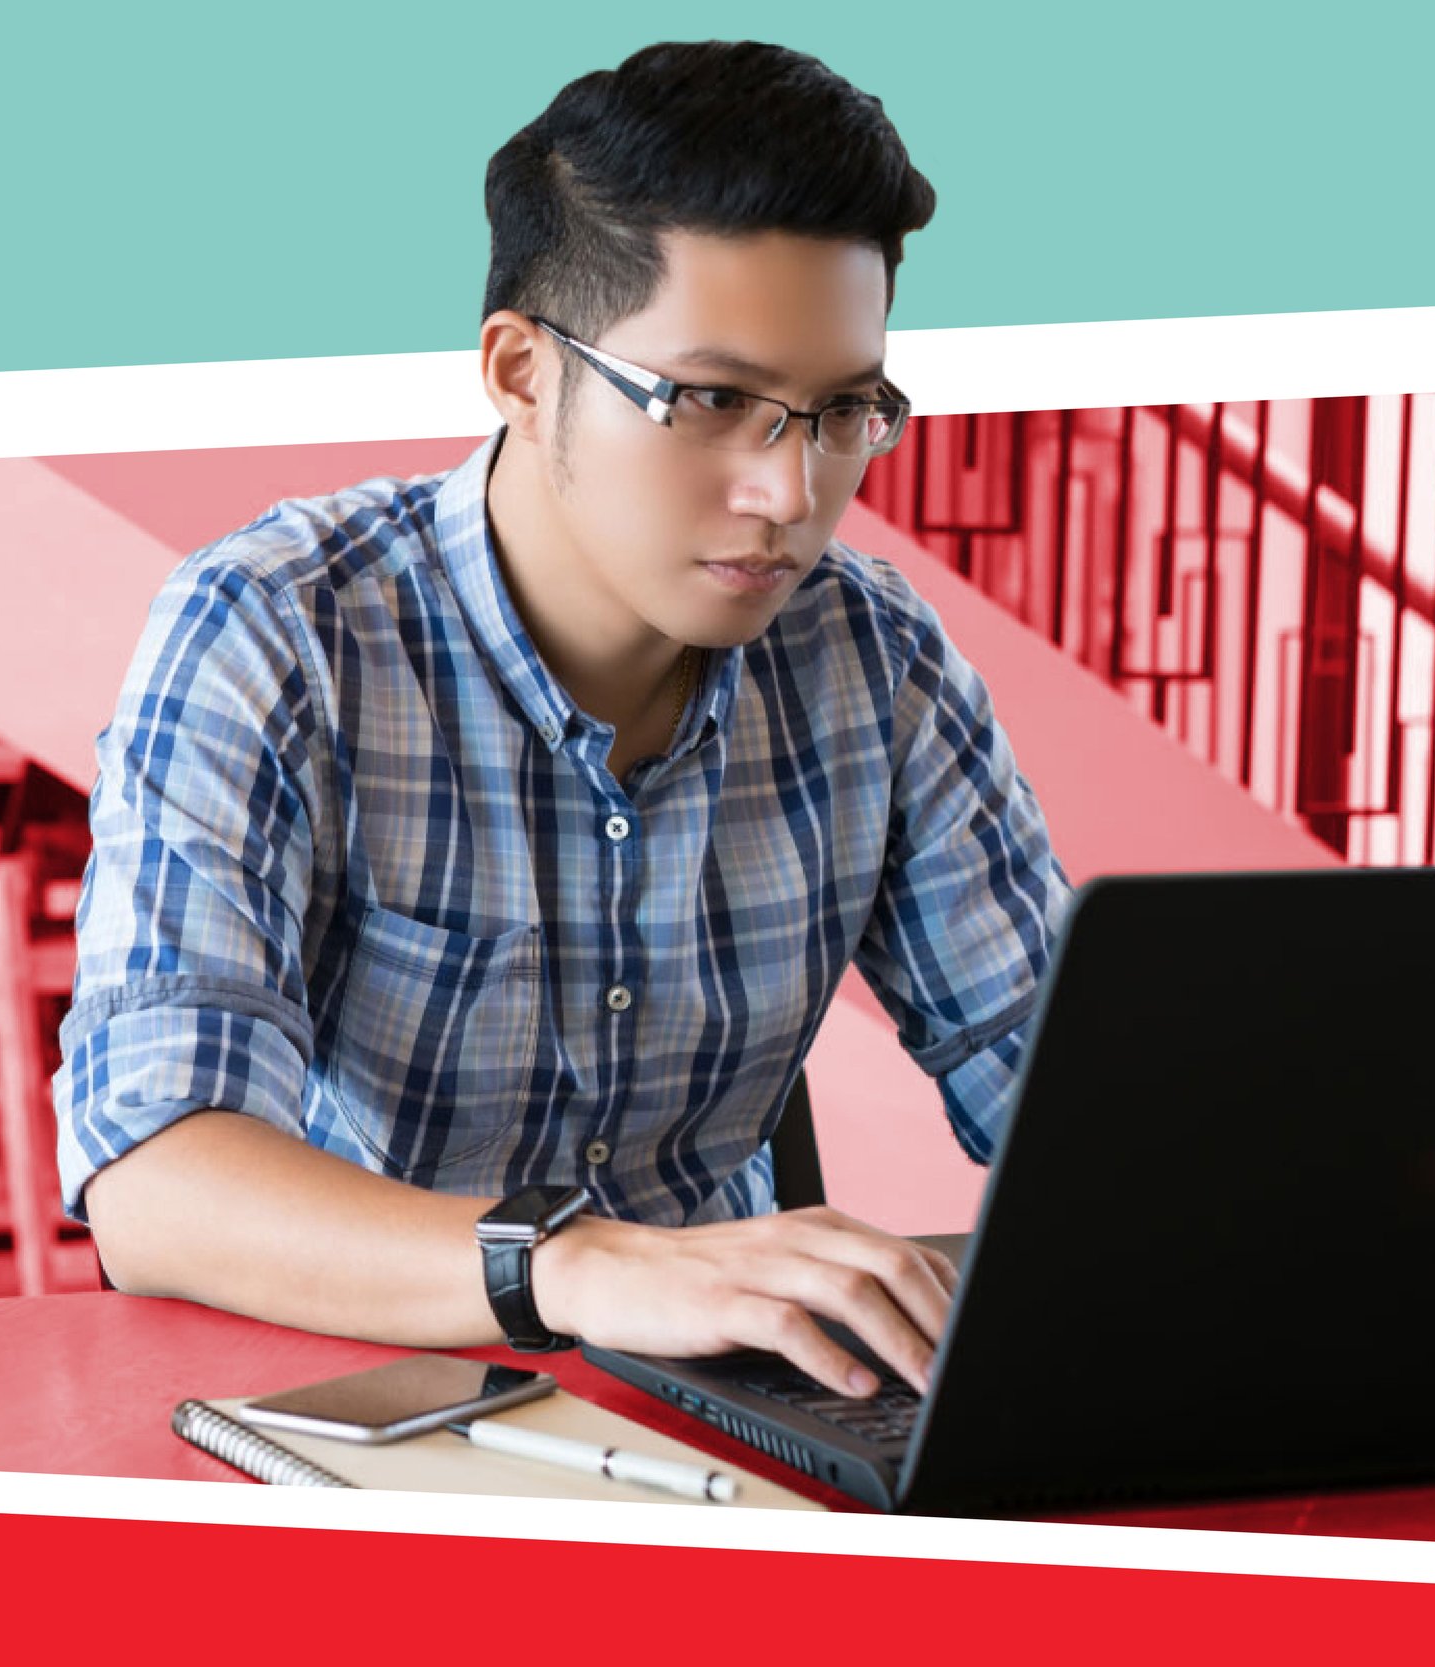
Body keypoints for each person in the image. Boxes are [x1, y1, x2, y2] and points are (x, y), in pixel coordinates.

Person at [52, 41, 1069, 1402]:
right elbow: (157, 1182)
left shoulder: (870, 655)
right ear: (524, 373)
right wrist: (577, 1262)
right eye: (712, 402)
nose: (789, 491)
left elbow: (1070, 1107)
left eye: (841, 412)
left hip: (725, 1411)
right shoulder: (276, 628)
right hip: (342, 1406)